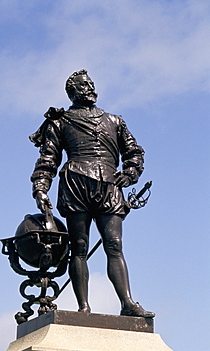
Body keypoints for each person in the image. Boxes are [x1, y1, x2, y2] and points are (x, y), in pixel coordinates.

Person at [30, 69, 154, 318]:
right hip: (76, 185)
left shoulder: (115, 121)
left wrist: (129, 174)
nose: (89, 88)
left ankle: (127, 303)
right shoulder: (60, 121)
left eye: (91, 84)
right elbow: (48, 159)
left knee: (114, 245)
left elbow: (134, 152)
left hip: (109, 186)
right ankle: (83, 307)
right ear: (72, 92)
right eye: (84, 85)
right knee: (79, 247)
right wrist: (40, 187)